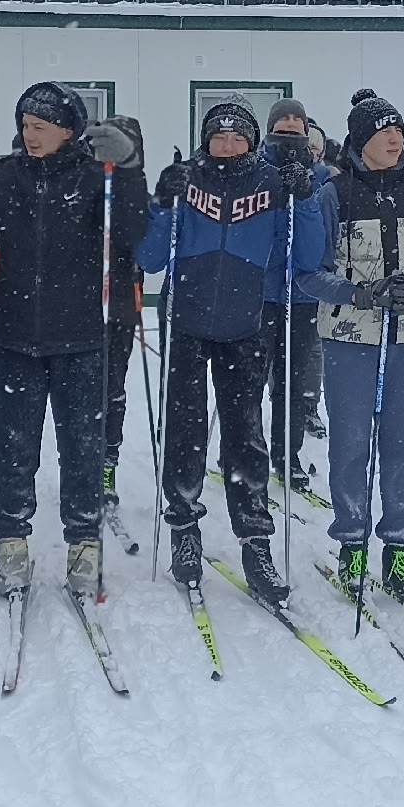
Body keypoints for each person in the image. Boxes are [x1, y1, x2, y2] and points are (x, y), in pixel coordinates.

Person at [0, 83, 147, 602]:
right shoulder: (10, 175)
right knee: (13, 448)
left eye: (41, 126)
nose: (29, 135)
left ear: (68, 130)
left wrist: (128, 169)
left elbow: (132, 231)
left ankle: (84, 544)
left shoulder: (92, 177)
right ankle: (11, 541)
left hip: (81, 337)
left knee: (81, 449)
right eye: (25, 125)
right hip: (17, 335)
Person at [135, 98, 319, 602]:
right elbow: (149, 258)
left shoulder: (271, 182)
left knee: (245, 435)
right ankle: (184, 530)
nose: (229, 145)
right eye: (220, 136)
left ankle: (255, 540)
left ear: (253, 142)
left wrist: (302, 199)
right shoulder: (188, 177)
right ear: (205, 139)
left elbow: (306, 256)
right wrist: (160, 202)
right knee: (185, 431)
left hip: (247, 325)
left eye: (239, 137)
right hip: (188, 322)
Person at [302, 88, 404, 605]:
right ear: (362, 140)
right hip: (350, 337)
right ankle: (351, 545)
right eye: (384, 130)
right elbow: (310, 277)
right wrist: (361, 292)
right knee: (350, 443)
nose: (394, 137)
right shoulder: (334, 195)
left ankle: (398, 547)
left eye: (399, 129)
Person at [259, 98, 330, 492]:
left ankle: (287, 454)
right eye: (281, 122)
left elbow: (317, 244)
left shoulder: (319, 178)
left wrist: (301, 195)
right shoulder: (255, 171)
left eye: (296, 124)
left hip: (301, 296)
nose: (289, 128)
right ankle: (243, 452)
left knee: (293, 382)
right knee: (249, 380)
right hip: (257, 293)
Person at [88, 115, 147, 531]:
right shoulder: (87, 179)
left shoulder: (132, 183)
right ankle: (81, 467)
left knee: (113, 387)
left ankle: (106, 466)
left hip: (121, 302)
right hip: (82, 302)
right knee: (82, 392)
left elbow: (141, 235)